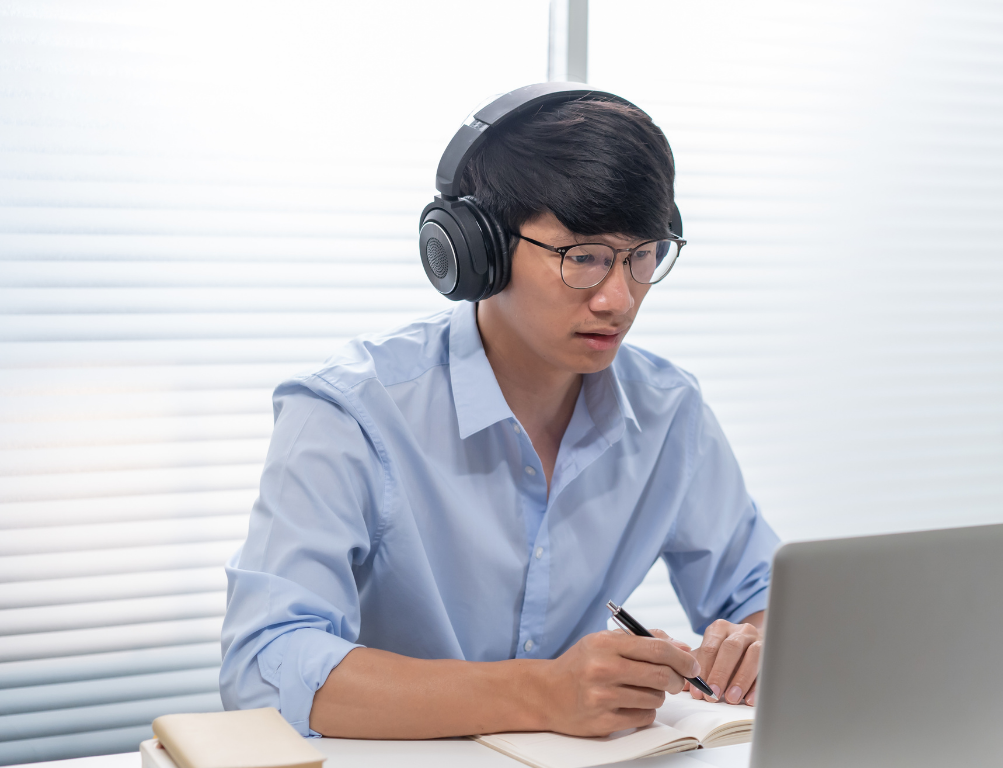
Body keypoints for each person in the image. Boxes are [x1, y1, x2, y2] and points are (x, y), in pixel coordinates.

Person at [218, 88, 780, 740]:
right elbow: (262, 665)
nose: (619, 299)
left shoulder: (669, 411)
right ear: (475, 251)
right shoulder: (350, 413)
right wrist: (540, 694)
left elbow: (765, 594)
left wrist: (753, 643)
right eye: (584, 258)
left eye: (642, 256)